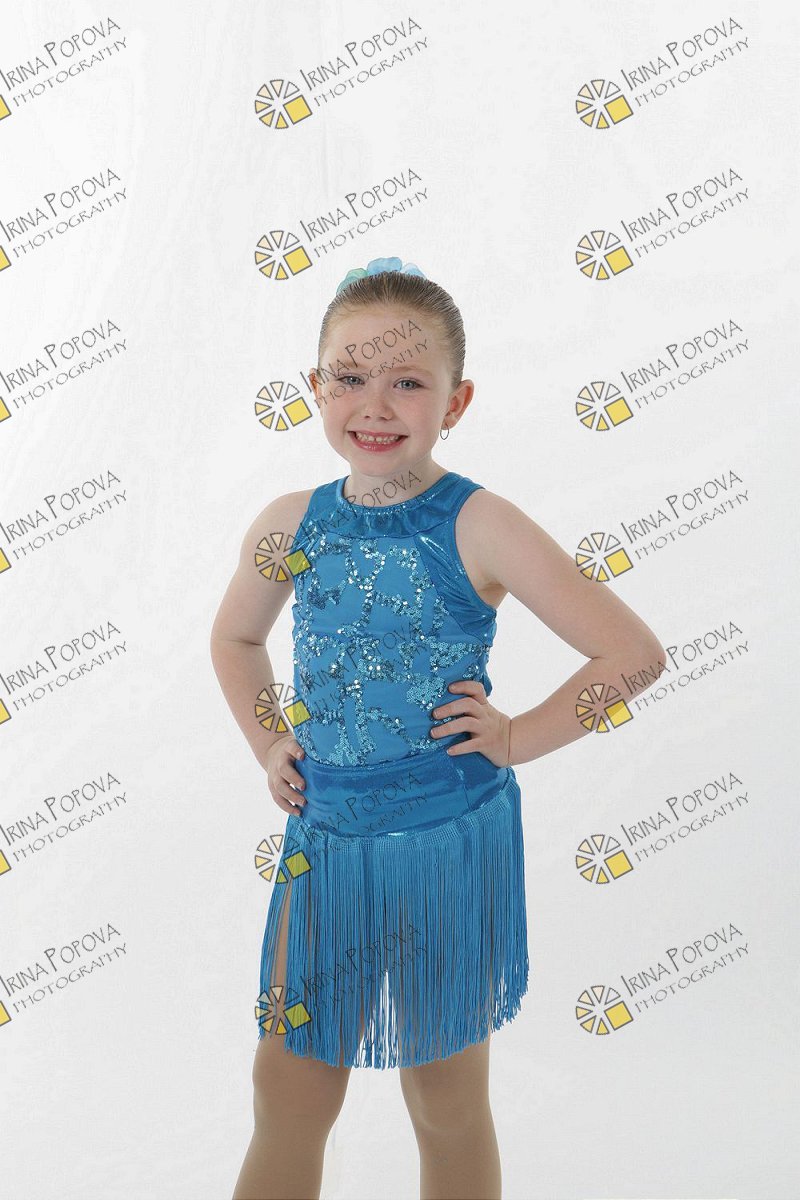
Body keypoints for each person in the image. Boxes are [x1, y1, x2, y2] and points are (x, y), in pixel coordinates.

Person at [210, 256, 666, 1200]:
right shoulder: (291, 523)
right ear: (315, 387)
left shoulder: (481, 524)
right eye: (350, 377)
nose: (375, 405)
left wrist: (516, 737)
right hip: (325, 841)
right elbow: (236, 637)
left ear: (456, 402)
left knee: (445, 1097)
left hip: (445, 841)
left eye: (408, 383)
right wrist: (268, 738)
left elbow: (630, 654)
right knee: (288, 1084)